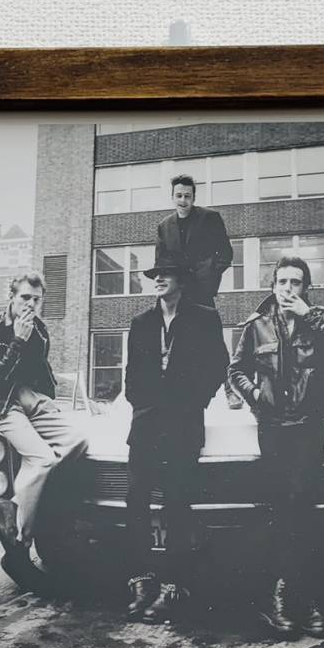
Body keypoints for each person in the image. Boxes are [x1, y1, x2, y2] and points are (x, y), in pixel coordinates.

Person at [228, 255, 324, 637]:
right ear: (272, 286)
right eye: (282, 282)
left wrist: (312, 316)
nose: (287, 289)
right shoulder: (257, 326)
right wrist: (256, 398)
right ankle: (285, 595)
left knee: (302, 505)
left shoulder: (321, 322)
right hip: (274, 428)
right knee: (282, 507)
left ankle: (303, 595)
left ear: (305, 287)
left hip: (310, 427)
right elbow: (235, 370)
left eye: (295, 282)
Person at [124, 253, 228, 622]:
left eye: (166, 274)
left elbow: (220, 364)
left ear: (181, 280)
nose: (159, 279)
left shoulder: (203, 318)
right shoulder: (141, 322)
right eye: (156, 275)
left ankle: (173, 586)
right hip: (147, 425)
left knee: (176, 504)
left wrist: (195, 400)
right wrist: (143, 404)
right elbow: (131, 377)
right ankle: (141, 580)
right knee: (136, 498)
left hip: (184, 424)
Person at [0, 272, 88, 582]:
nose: (31, 304)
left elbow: (40, 370)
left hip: (29, 399)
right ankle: (17, 547)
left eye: (36, 299)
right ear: (12, 297)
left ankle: (41, 495)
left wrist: (48, 400)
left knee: (77, 441)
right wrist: (18, 341)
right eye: (25, 297)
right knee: (43, 459)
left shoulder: (39, 329)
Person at [155, 174, 233, 308]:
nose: (183, 200)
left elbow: (226, 253)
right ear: (172, 198)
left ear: (194, 198)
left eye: (187, 196)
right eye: (179, 196)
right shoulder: (164, 226)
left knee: (206, 327)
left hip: (202, 290)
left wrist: (210, 273)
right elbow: (160, 262)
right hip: (175, 293)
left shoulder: (210, 218)